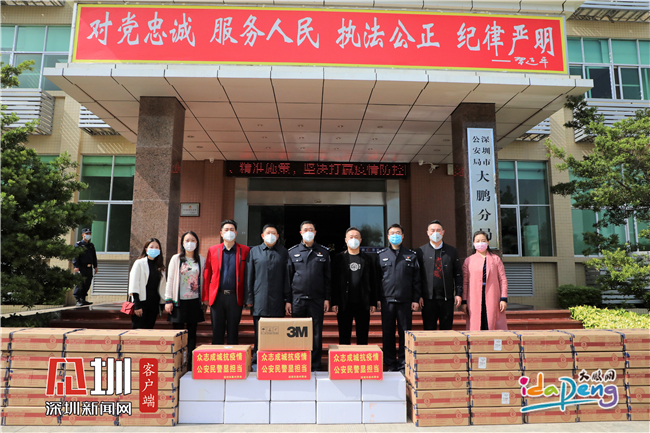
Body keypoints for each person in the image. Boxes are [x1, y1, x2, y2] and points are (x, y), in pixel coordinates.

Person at [287, 220, 331, 371]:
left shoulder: (323, 252)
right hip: (297, 299)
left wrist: (327, 298)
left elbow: (327, 278)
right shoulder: (292, 252)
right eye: (305, 229)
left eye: (311, 229)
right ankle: (299, 363)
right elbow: (288, 278)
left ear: (315, 232)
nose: (308, 232)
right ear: (300, 233)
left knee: (316, 333)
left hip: (317, 299)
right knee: (297, 333)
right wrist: (288, 300)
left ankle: (315, 364)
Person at [376, 224, 421, 372]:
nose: (395, 235)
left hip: (405, 301)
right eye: (392, 233)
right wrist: (377, 299)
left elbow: (416, 280)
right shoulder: (381, 255)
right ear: (388, 237)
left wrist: (415, 299)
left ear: (402, 236)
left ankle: (403, 363)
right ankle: (390, 363)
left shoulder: (411, 255)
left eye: (398, 233)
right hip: (387, 300)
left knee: (404, 333)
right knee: (388, 333)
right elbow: (377, 280)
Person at [245, 224, 291, 365]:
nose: (271, 235)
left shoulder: (283, 252)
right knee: (260, 332)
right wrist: (249, 298)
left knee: (277, 333)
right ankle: (257, 360)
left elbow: (287, 278)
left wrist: (287, 299)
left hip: (278, 300)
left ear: (277, 236)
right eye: (268, 233)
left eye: (274, 233)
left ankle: (275, 360)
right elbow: (249, 276)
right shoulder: (254, 252)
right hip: (260, 299)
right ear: (262, 236)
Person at [203, 220, 250, 345]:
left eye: (232, 230)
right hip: (217, 296)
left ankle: (233, 355)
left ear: (236, 233)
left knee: (233, 331)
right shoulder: (213, 250)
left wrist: (247, 297)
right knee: (217, 331)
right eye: (226, 230)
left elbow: (248, 275)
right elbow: (207, 274)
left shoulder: (245, 250)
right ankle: (217, 355)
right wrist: (206, 297)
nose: (229, 232)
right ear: (221, 233)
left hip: (235, 297)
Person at [164, 231, 206, 366]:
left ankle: (190, 364)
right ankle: (177, 363)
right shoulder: (176, 259)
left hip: (194, 301)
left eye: (193, 240)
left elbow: (204, 280)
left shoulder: (201, 260)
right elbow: (170, 279)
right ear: (182, 243)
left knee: (192, 334)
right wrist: (168, 299)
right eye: (187, 240)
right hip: (179, 302)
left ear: (197, 243)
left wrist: (204, 301)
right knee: (178, 334)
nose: (190, 243)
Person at [331, 227, 377, 345]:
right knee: (344, 335)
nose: (353, 239)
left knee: (362, 335)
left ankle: (361, 356)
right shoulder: (339, 258)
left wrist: (373, 302)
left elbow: (373, 281)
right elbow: (334, 281)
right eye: (351, 237)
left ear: (360, 240)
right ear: (346, 240)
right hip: (344, 303)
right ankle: (344, 356)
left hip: (362, 303)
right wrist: (334, 302)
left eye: (356, 237)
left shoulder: (367, 258)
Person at [416, 220, 463, 331]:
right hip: (428, 299)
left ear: (443, 232)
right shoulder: (420, 251)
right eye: (432, 230)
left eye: (438, 230)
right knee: (429, 329)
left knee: (446, 329)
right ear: (428, 232)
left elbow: (458, 274)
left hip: (447, 298)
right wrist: (418, 295)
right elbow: (417, 276)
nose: (435, 233)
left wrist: (458, 293)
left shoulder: (451, 251)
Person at [460, 230, 508, 331]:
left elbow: (503, 279)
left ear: (488, 242)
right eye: (477, 241)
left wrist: (503, 298)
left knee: (491, 322)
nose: (480, 243)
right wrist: (464, 301)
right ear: (473, 243)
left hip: (492, 296)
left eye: (483, 240)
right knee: (477, 323)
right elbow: (465, 282)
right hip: (474, 297)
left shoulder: (496, 259)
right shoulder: (468, 261)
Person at [129, 238, 166, 329]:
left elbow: (162, 286)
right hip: (141, 302)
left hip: (154, 303)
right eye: (151, 247)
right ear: (146, 249)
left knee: (149, 330)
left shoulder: (160, 266)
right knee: (138, 330)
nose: (154, 249)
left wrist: (162, 304)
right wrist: (137, 305)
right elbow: (134, 284)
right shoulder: (139, 263)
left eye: (157, 247)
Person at [72, 228, 98, 306]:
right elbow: (75, 256)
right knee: (80, 283)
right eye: (87, 234)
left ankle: (83, 299)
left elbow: (94, 256)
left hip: (89, 268)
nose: (88, 235)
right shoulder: (78, 245)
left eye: (89, 234)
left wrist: (95, 266)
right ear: (83, 235)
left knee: (87, 283)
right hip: (81, 267)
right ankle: (78, 299)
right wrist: (76, 266)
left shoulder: (91, 245)